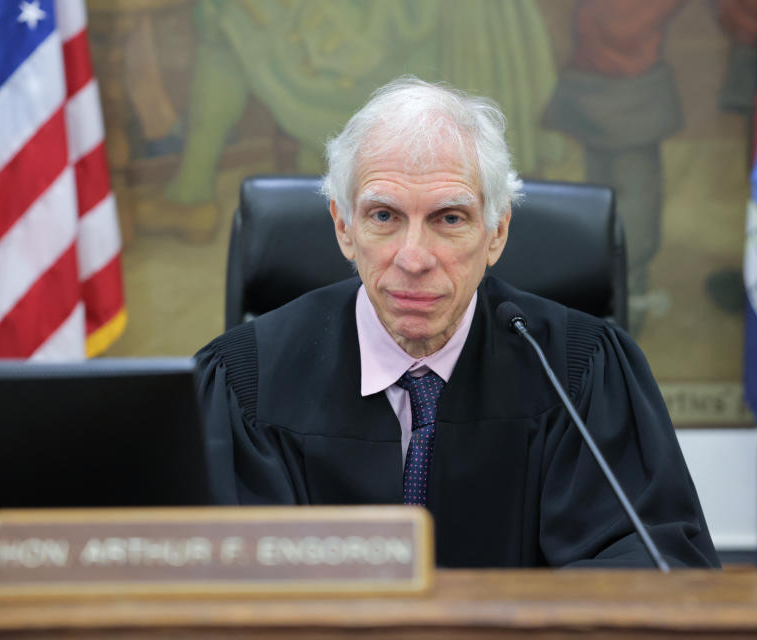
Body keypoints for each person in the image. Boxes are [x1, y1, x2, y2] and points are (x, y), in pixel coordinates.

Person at [196, 76, 720, 568]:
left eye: (449, 219)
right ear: (343, 227)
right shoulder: (245, 382)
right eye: (384, 216)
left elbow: (649, 565)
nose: (414, 257)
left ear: (496, 233)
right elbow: (214, 580)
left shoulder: (580, 373)